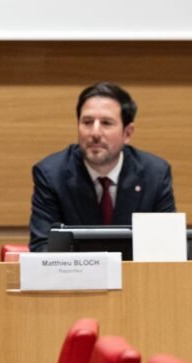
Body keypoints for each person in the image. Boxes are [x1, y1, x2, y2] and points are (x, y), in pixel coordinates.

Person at [29, 81, 176, 252]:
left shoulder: (155, 175)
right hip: (75, 270)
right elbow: (42, 247)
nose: (95, 133)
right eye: (87, 122)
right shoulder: (52, 175)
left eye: (106, 123)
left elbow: (169, 248)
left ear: (127, 133)